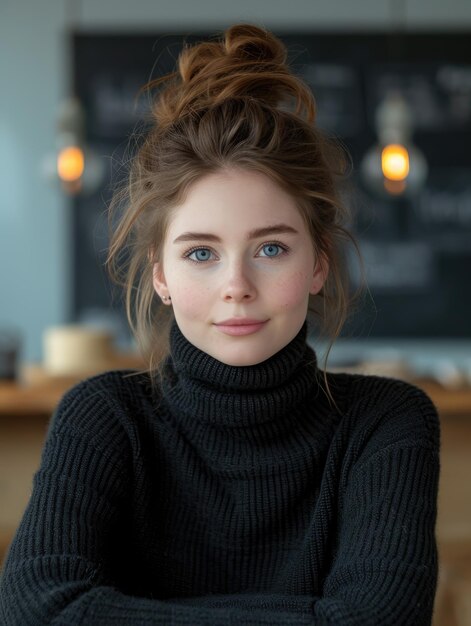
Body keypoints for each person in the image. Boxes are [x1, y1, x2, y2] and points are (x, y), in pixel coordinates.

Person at [0, 23, 440, 625]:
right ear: (160, 275)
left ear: (318, 264)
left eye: (271, 249)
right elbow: (35, 611)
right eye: (201, 253)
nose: (236, 285)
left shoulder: (386, 424)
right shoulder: (103, 417)